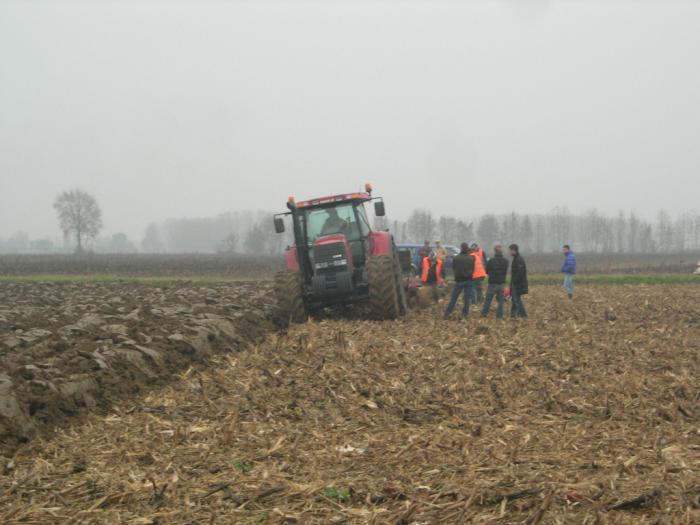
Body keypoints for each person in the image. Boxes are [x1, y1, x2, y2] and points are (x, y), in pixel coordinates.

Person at [444, 243, 475, 319]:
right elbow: (473, 269)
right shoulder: (471, 258)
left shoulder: (456, 258)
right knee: (467, 299)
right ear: (467, 248)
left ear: (461, 248)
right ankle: (465, 313)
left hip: (459, 280)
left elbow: (453, 268)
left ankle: (448, 312)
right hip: (469, 280)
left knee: (454, 297)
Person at [481, 245, 509, 319]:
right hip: (501, 283)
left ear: (494, 251)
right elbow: (505, 271)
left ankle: (484, 314)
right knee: (501, 301)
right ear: (501, 251)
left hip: (492, 283)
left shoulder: (491, 261)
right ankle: (499, 316)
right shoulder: (506, 261)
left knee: (488, 300)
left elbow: (486, 271)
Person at [509, 243, 528, 319]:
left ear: (514, 250)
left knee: (516, 299)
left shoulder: (519, 259)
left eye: (510, 250)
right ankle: (514, 315)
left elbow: (520, 272)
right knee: (515, 299)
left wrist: (514, 281)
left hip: (517, 284)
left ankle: (523, 315)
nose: (509, 252)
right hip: (516, 283)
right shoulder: (516, 258)